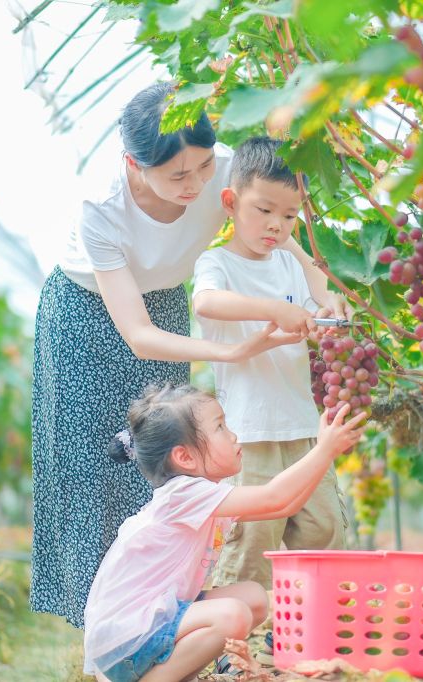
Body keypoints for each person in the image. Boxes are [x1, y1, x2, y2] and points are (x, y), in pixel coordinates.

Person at [30, 82, 347, 629]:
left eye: (204, 169)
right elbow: (138, 334)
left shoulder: (219, 169)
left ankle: (167, 613)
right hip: (85, 315)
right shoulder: (101, 210)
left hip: (167, 306)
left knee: (161, 461)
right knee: (88, 466)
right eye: (179, 176)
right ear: (134, 163)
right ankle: (101, 625)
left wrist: (320, 287)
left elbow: (277, 216)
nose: (196, 183)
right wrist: (234, 347)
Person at [83, 385, 365, 682]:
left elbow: (286, 506)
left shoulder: (203, 494)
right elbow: (275, 498)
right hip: (126, 641)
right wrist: (323, 449)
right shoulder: (183, 493)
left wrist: (324, 455)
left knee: (254, 599)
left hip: (146, 625)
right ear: (185, 457)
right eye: (220, 427)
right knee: (233, 615)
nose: (232, 435)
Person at [191, 137, 349, 602]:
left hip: (302, 430)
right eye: (264, 210)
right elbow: (206, 302)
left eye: (289, 216)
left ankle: (305, 635)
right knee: (251, 545)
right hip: (251, 435)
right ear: (231, 202)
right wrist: (270, 310)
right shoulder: (216, 262)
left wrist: (325, 319)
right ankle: (231, 647)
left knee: (324, 532)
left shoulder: (289, 265)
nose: (276, 225)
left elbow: (309, 311)